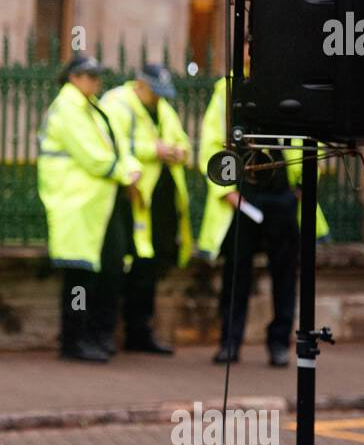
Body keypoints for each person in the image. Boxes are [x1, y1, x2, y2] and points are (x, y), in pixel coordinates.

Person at [197, 73, 329, 366]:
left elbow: (311, 139)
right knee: (236, 274)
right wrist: (227, 190)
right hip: (245, 195)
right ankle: (229, 342)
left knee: (284, 275)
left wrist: (300, 188)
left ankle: (279, 344)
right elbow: (211, 141)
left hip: (282, 196)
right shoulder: (227, 89)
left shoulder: (291, 83)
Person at [37, 56, 142, 363]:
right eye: (91, 76)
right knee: (79, 275)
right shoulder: (67, 109)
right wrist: (126, 173)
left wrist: (129, 168)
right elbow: (93, 156)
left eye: (97, 77)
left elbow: (117, 145)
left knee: (108, 269)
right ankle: (73, 341)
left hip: (99, 204)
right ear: (73, 77)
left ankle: (97, 335)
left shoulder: (91, 107)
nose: (96, 82)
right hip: (75, 204)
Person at [100, 64, 193, 354]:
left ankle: (140, 332)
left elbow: (183, 142)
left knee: (148, 267)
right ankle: (106, 333)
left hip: (160, 200)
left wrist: (178, 152)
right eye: (154, 92)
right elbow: (111, 143)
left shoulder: (163, 107)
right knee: (120, 265)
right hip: (131, 196)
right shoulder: (117, 102)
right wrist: (155, 150)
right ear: (140, 84)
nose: (158, 98)